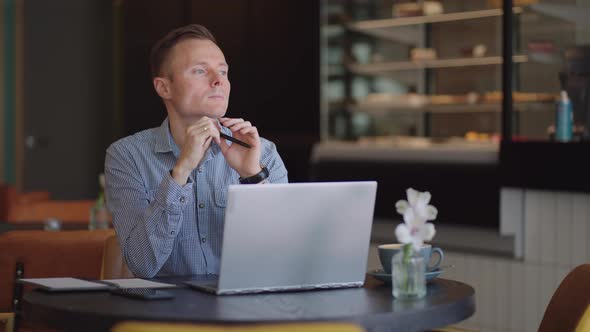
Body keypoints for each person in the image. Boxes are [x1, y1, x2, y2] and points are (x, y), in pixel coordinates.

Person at [104, 24, 288, 278]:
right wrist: (180, 172)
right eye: (200, 71)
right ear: (163, 88)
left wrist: (252, 176)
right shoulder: (126, 156)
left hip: (247, 310)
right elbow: (142, 264)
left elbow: (286, 256)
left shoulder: (262, 153)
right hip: (164, 313)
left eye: (223, 71)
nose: (218, 80)